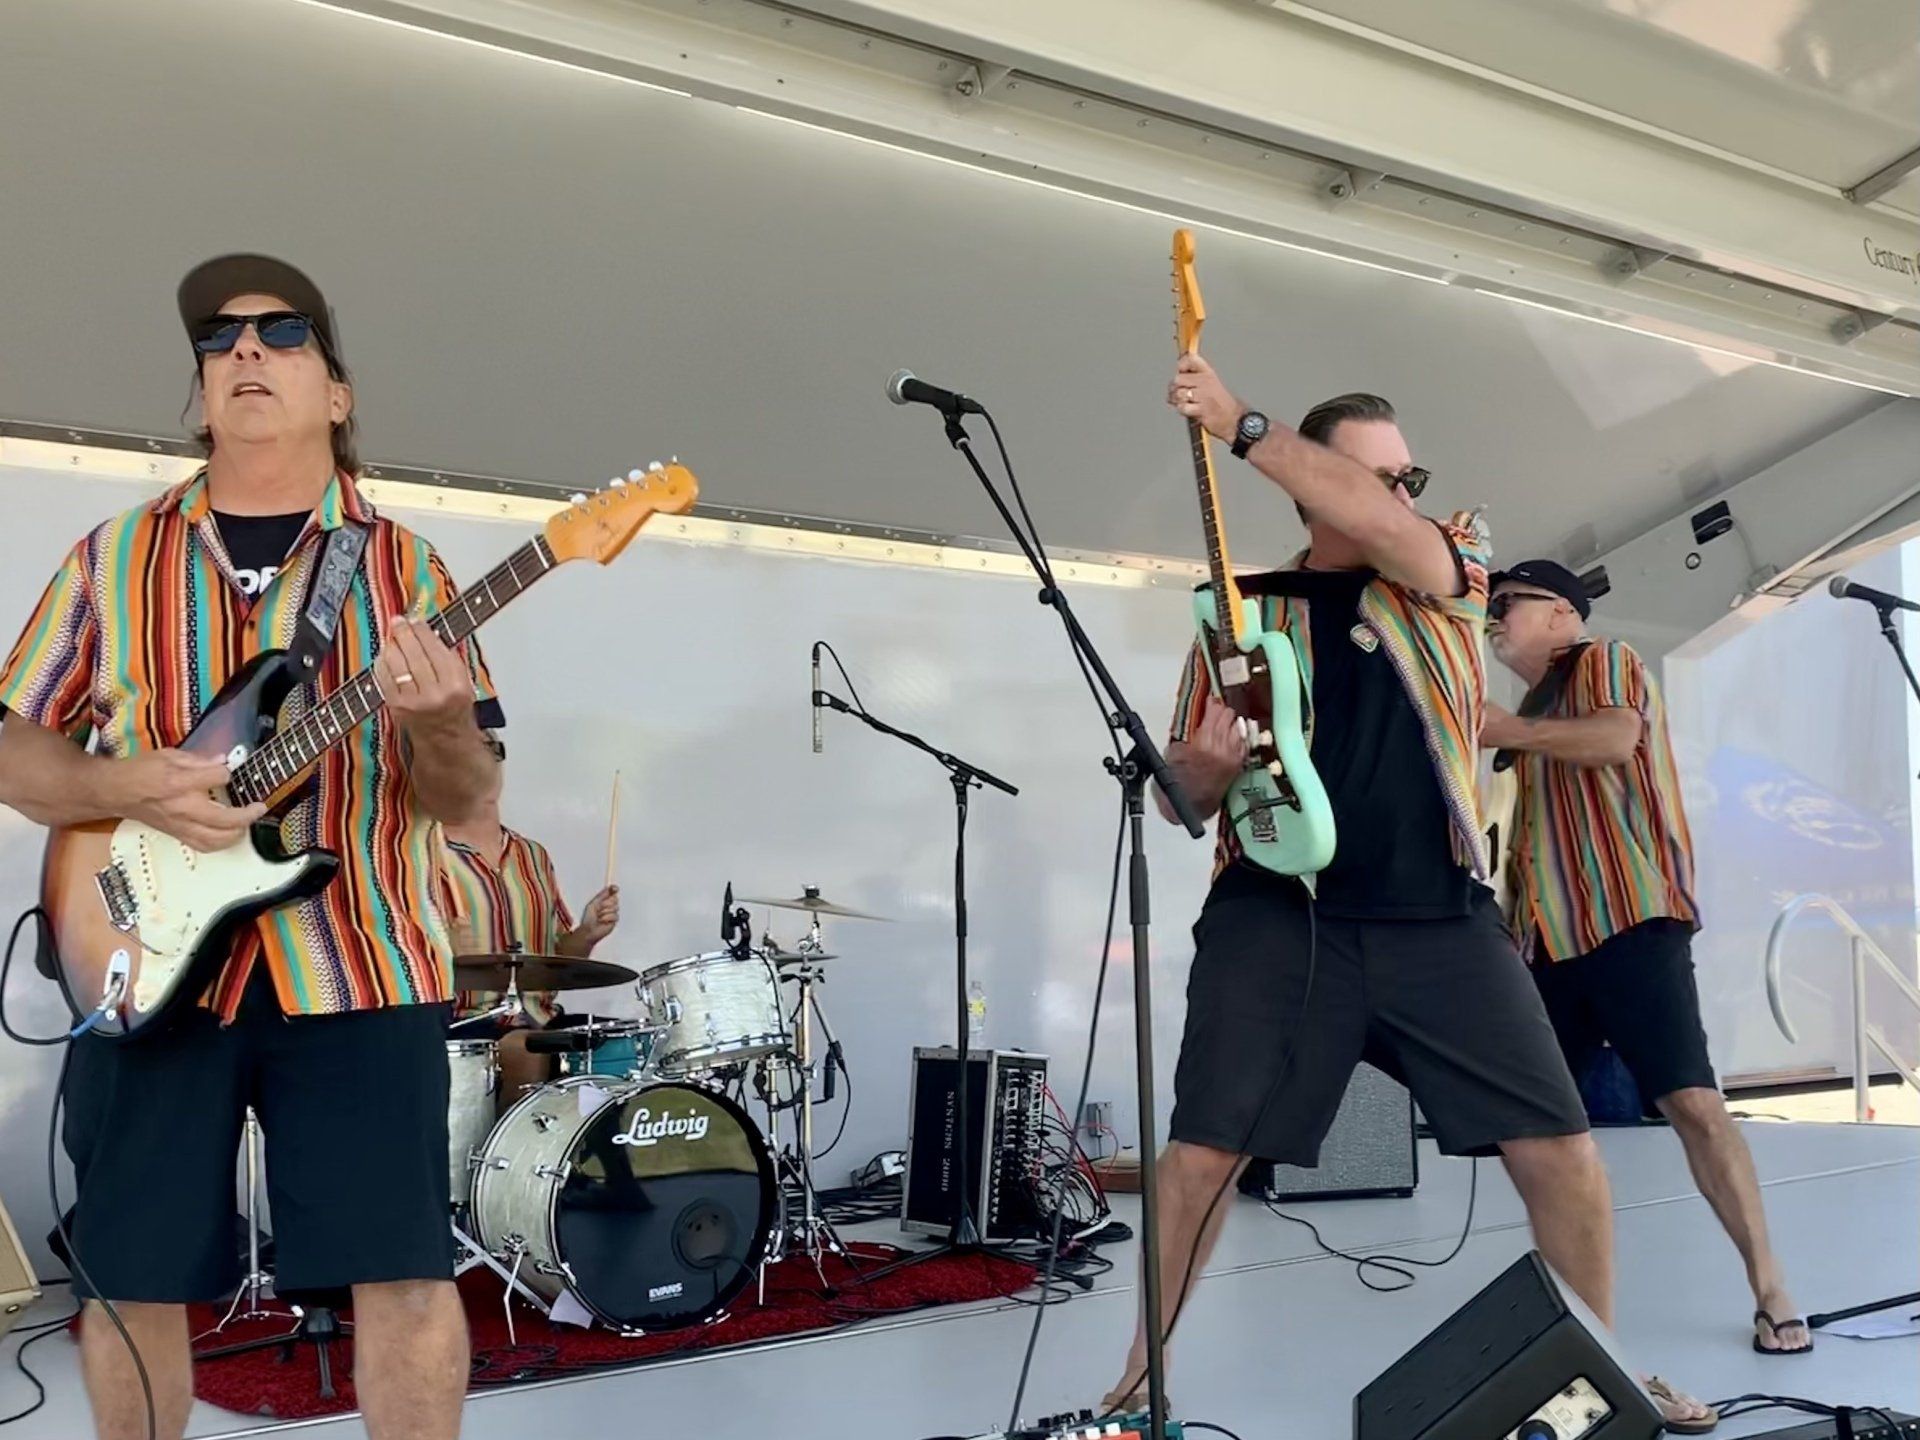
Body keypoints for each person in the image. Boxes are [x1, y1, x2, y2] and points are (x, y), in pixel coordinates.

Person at [1103, 355, 1715, 1433]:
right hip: (1277, 916)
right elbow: (1183, 797)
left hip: (1440, 916)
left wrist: (1241, 422)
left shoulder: (1450, 566)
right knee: (1200, 1154)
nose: (1403, 493)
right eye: (1380, 475)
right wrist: (1198, 770)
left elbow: (1397, 536)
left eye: (1408, 475)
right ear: (1316, 490)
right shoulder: (1242, 616)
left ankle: (1599, 1373)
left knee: (1562, 1150)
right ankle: (1135, 1387)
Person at [0, 254, 496, 1440]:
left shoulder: (407, 570)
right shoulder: (112, 557)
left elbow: (465, 797)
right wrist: (128, 785)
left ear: (338, 392)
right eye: (219, 342)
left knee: (404, 1273)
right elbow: (15, 753)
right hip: (140, 963)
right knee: (129, 1281)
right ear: (202, 394)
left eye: (283, 333)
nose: (246, 352)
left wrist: (437, 722)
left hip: (361, 960)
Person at [1484, 559, 1808, 1356]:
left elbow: (1614, 737)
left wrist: (1508, 731)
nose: (1494, 614)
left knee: (1692, 1103)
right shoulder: (1527, 711)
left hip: (1629, 920)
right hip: (1547, 943)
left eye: (1510, 601)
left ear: (1563, 613)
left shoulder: (1602, 658)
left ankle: (1771, 1287)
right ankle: (1571, 1303)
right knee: (1539, 1134)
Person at [442, 731, 621, 1105]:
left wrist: (588, 933)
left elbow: (558, 958)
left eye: (491, 749)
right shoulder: (424, 856)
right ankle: (516, 1145)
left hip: (543, 1020)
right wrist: (444, 952)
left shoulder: (533, 856)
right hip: (464, 1028)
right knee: (526, 1048)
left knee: (619, 1043)